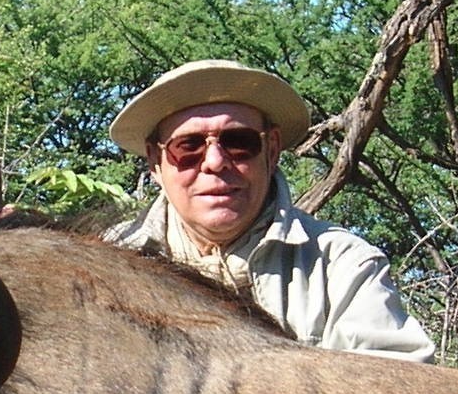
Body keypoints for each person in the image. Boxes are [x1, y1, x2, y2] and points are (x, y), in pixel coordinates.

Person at [101, 60, 434, 362]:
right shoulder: (106, 263)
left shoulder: (342, 266)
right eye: (187, 147)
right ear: (155, 162)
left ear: (271, 150)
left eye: (238, 142)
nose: (215, 162)